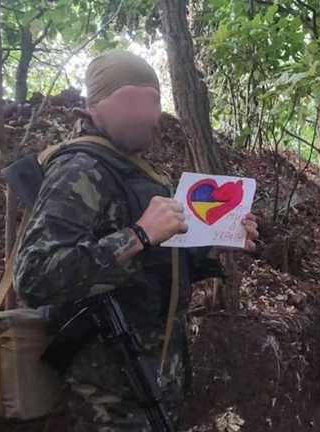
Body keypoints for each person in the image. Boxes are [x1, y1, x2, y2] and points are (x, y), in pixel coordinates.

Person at [14, 49, 258, 430]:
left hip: (154, 379)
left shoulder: (138, 170)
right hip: (107, 398)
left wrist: (214, 243)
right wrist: (140, 234)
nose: (147, 114)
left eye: (154, 100)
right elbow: (34, 277)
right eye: (130, 99)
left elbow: (155, 266)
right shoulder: (78, 170)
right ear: (94, 105)